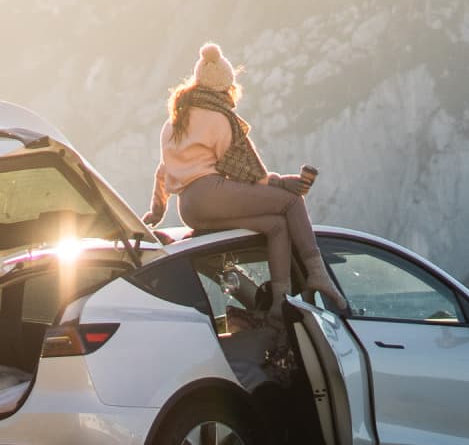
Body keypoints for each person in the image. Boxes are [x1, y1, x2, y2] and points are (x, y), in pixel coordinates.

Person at [141, 43, 351, 313]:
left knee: (276, 226)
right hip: (211, 193)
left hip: (189, 209)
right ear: (226, 86)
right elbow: (247, 174)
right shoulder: (219, 118)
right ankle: (317, 273)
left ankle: (279, 304)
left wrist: (156, 211)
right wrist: (282, 183)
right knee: (291, 203)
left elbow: (163, 171)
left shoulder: (173, 123)